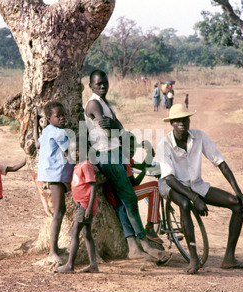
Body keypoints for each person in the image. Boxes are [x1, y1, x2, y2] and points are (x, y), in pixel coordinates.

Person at [85, 69, 170, 264]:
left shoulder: (105, 103)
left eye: (105, 82)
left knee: (123, 202)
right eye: (98, 84)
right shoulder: (93, 103)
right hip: (106, 155)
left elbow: (118, 127)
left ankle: (133, 247)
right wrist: (116, 126)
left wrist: (116, 126)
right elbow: (109, 129)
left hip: (114, 153)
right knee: (130, 198)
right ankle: (145, 244)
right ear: (91, 86)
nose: (103, 86)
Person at [157, 104, 243, 274]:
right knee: (185, 204)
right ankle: (193, 259)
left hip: (196, 185)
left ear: (189, 120)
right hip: (172, 185)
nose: (182, 123)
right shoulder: (164, 144)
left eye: (185, 119)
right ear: (171, 123)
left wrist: (238, 191)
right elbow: (169, 178)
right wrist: (195, 199)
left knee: (238, 205)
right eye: (177, 120)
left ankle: (229, 258)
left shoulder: (199, 136)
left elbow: (220, 162)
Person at [34, 101, 75, 265]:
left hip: (50, 174)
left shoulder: (47, 130)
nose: (61, 118)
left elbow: (37, 144)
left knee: (61, 210)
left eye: (62, 115)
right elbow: (69, 154)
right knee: (58, 212)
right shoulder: (59, 133)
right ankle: (52, 251)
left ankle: (55, 248)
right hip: (56, 175)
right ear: (49, 118)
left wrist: (34, 125)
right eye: (57, 116)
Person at [103, 132, 163, 244]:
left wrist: (150, 154)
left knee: (153, 187)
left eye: (133, 147)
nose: (131, 150)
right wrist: (145, 170)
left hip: (123, 194)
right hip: (121, 196)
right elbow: (135, 183)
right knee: (155, 187)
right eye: (128, 147)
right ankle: (150, 227)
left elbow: (141, 166)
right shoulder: (122, 159)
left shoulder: (126, 158)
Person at [56, 140, 99, 273]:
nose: (74, 153)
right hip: (82, 204)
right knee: (86, 234)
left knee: (75, 232)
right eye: (72, 151)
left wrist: (89, 207)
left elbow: (93, 186)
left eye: (77, 151)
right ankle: (93, 265)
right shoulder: (78, 165)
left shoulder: (85, 165)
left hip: (85, 205)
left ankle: (70, 265)